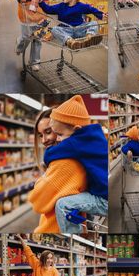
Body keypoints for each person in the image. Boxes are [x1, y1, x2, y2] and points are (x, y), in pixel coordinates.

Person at [43, 95, 108, 234]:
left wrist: (52, 150)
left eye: (60, 134)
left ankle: (74, 236)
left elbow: (49, 155)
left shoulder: (77, 142)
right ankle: (81, 227)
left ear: (77, 129)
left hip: (104, 200)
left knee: (62, 205)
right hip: (104, 191)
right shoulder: (95, 135)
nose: (58, 139)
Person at [28, 105, 87, 234]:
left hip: (55, 229)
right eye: (40, 135)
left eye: (48, 132)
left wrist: (40, 181)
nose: (44, 140)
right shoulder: (73, 155)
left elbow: (37, 201)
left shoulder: (65, 162)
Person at [6, 0, 57, 71]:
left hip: (42, 13)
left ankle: (34, 62)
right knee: (26, 37)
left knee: (38, 38)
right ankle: (19, 43)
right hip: (27, 14)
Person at [39, 0, 107, 49]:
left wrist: (101, 15)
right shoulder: (61, 6)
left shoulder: (81, 6)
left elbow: (92, 9)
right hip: (66, 31)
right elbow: (48, 9)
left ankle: (89, 38)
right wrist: (41, 2)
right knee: (54, 29)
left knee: (94, 23)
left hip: (80, 29)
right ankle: (71, 42)